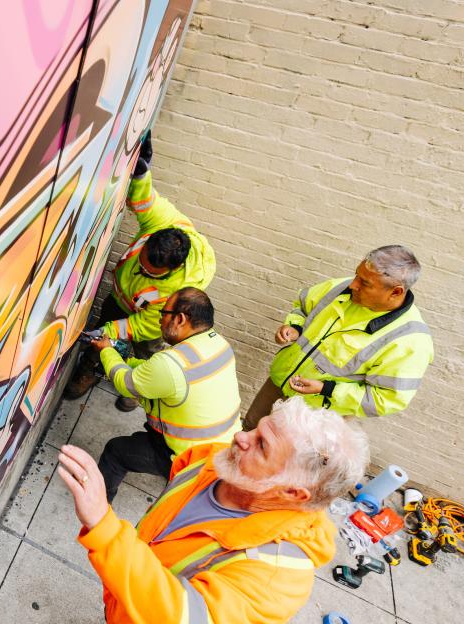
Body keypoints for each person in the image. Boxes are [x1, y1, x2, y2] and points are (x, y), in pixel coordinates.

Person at [56, 397, 369, 624]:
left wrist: (104, 528)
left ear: (291, 492)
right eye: (254, 429)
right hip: (133, 611)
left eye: (261, 445)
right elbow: (182, 470)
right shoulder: (226, 463)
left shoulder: (278, 579)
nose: (240, 437)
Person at [64, 132, 216, 411]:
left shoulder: (176, 293)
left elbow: (139, 326)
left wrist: (107, 332)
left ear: (172, 269)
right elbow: (147, 201)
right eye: (141, 262)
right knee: (106, 324)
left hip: (153, 320)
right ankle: (90, 369)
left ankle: (137, 390)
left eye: (149, 271)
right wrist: (142, 171)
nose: (141, 269)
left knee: (146, 351)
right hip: (123, 299)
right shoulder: (167, 227)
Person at [243, 245, 433, 431]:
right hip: (278, 385)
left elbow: (386, 399)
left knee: (282, 459)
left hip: (317, 415)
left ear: (396, 292)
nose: (353, 284)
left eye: (365, 283)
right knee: (247, 435)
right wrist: (295, 326)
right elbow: (302, 307)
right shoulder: (340, 288)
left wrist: (326, 389)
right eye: (357, 275)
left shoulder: (410, 342)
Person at [91, 287, 241, 501]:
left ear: (180, 319)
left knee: (116, 452)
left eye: (163, 315)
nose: (160, 321)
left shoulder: (170, 364)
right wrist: (128, 361)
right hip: (223, 449)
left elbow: (126, 383)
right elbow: (161, 375)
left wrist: (106, 351)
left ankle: (97, 506)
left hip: (187, 457)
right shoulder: (219, 344)